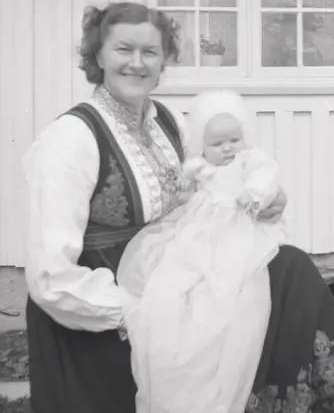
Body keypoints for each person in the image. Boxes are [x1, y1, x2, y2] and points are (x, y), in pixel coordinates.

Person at [22, 1, 334, 413]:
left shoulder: (167, 124)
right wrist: (139, 313)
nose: (137, 63)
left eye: (150, 52)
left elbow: (217, 189)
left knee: (288, 272)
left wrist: (267, 199)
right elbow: (51, 277)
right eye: (123, 49)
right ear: (97, 55)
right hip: (103, 320)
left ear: (164, 61)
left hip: (178, 289)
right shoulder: (70, 140)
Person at [117, 90, 286, 413]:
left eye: (234, 140)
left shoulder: (249, 161)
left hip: (237, 231)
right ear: (203, 146)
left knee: (232, 288)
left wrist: (253, 194)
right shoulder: (203, 167)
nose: (227, 149)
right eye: (217, 143)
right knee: (176, 278)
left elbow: (268, 175)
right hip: (201, 231)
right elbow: (187, 183)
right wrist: (187, 184)